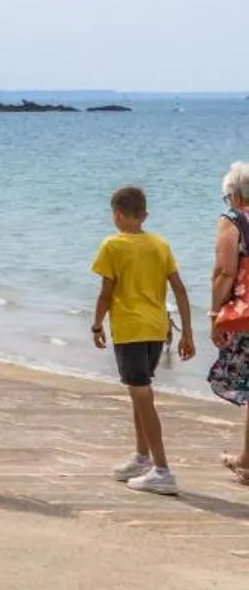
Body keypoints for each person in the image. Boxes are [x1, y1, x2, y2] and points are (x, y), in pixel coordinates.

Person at [94, 184, 196, 494]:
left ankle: (162, 469)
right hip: (156, 329)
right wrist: (187, 332)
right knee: (137, 391)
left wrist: (97, 324)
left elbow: (106, 293)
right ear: (144, 215)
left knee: (142, 395)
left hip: (130, 330)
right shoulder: (160, 245)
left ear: (117, 215)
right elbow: (180, 290)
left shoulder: (112, 246)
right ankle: (142, 458)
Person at [207, 163, 249, 479]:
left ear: (234, 195)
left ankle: (247, 462)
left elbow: (224, 272)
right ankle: (246, 460)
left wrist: (215, 315)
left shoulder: (233, 220)